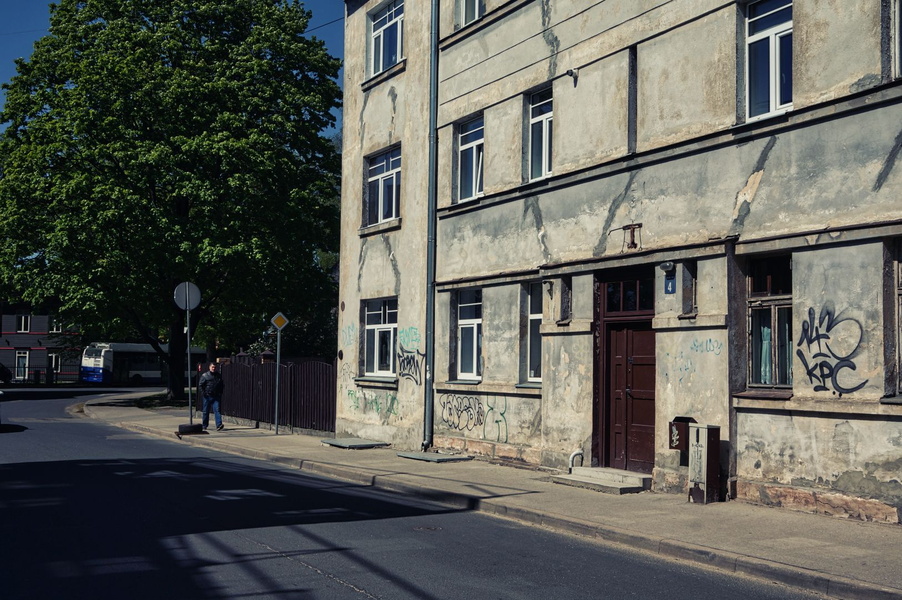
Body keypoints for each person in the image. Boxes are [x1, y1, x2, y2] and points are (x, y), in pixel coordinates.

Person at [198, 362, 225, 431]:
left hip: (216, 396)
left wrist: (220, 392)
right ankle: (204, 425)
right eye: (212, 367)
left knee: (217, 410)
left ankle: (219, 425)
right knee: (205, 411)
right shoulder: (205, 375)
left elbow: (221, 384)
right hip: (207, 396)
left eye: (215, 367)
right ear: (209, 367)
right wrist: (203, 393)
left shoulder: (218, 376)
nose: (213, 368)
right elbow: (200, 385)